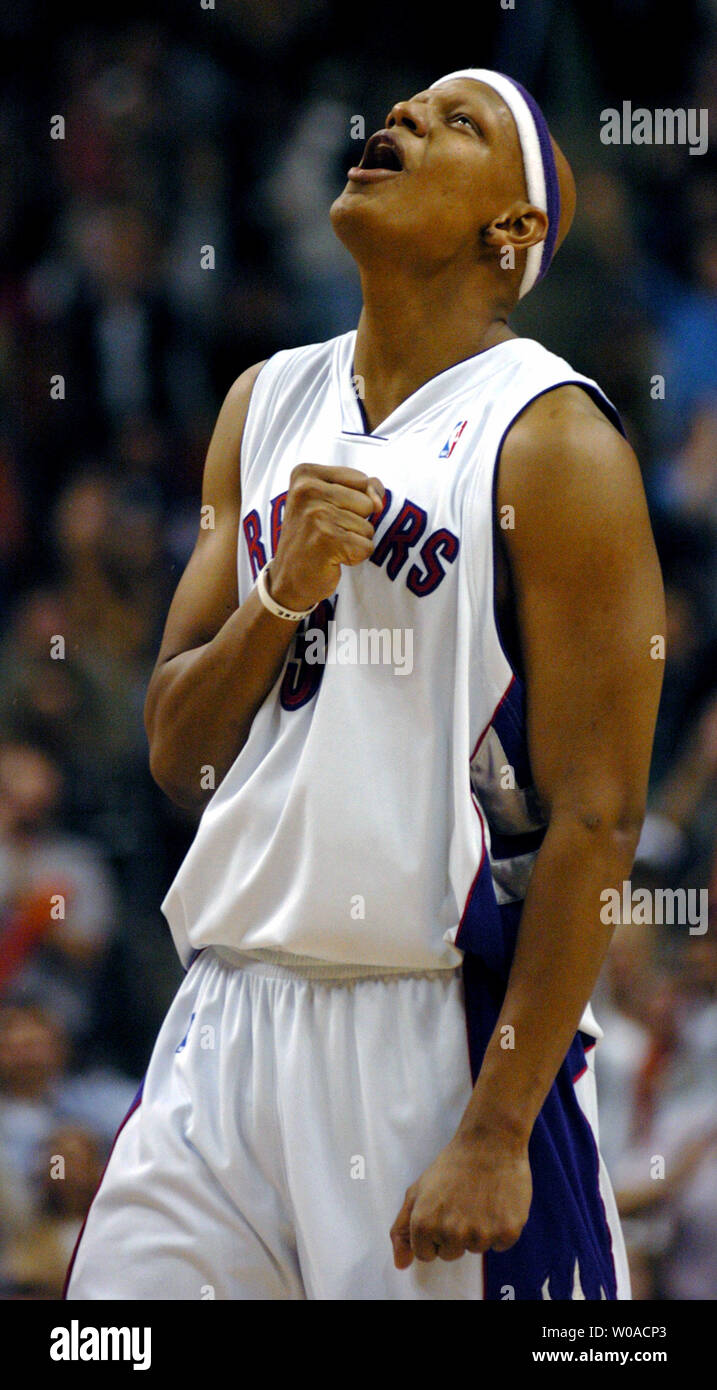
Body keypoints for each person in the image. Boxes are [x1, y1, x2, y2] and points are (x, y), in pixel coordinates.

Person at [65, 68, 664, 1301]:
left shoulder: (554, 441)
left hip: (431, 1036)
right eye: (404, 108)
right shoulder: (263, 401)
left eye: (459, 124)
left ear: (516, 232)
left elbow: (598, 821)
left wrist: (497, 1129)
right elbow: (181, 755)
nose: (400, 121)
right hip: (227, 1017)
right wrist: (278, 594)